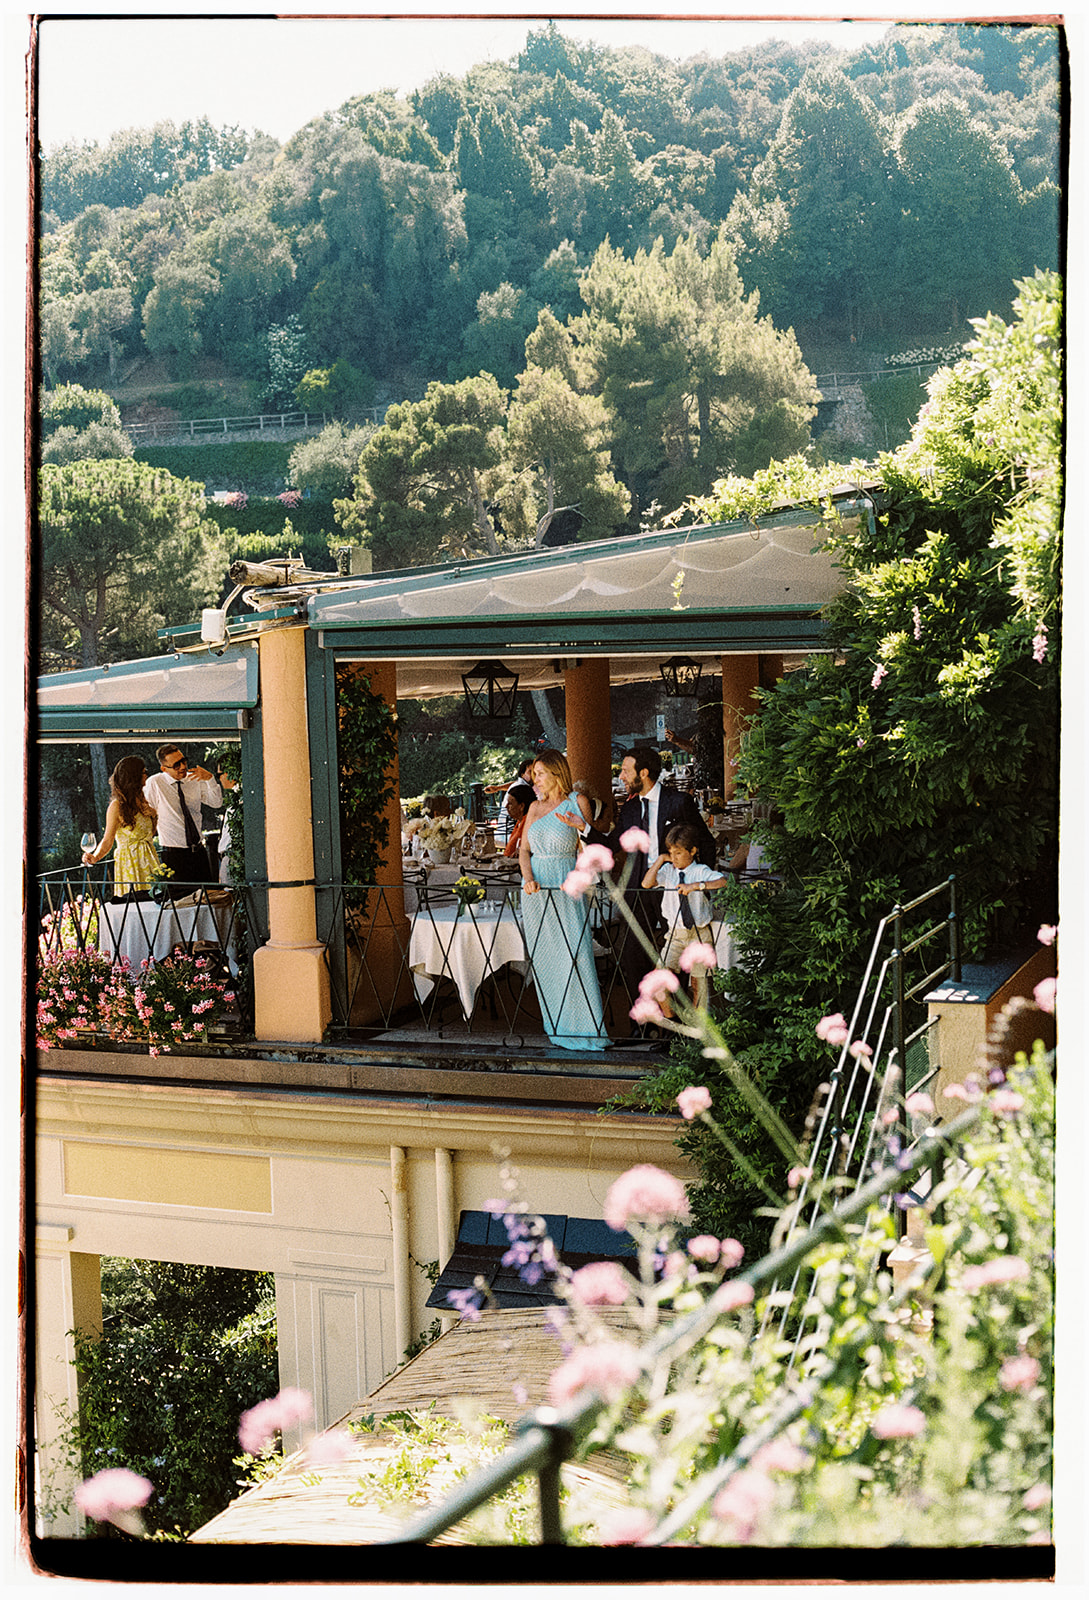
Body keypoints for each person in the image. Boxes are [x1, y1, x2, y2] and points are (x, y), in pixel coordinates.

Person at [562, 745, 718, 1013]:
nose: (621, 776)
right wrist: (584, 828)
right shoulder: (632, 807)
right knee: (633, 957)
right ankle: (643, 1026)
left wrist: (695, 883)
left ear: (643, 772)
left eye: (625, 770)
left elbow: (705, 844)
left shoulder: (678, 802)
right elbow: (612, 845)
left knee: (678, 958)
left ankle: (676, 1030)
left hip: (673, 891)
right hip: (639, 889)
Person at [519, 749, 609, 1052]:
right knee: (547, 961)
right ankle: (556, 1026)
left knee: (576, 956)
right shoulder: (532, 808)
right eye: (534, 772)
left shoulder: (577, 802)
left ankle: (588, 1030)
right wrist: (528, 877)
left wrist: (578, 827)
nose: (535, 778)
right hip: (535, 891)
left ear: (557, 773)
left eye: (540, 772)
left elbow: (593, 844)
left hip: (567, 885)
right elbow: (523, 851)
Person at [643, 825, 729, 1010]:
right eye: (671, 852)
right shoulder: (668, 871)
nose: (674, 858)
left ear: (692, 851)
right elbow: (646, 883)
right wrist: (660, 860)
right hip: (675, 935)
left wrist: (697, 886)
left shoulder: (699, 870)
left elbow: (723, 881)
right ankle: (674, 1028)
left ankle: (699, 1031)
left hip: (699, 935)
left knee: (699, 986)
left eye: (679, 853)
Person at [143, 744, 222, 890]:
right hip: (174, 856)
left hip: (199, 853)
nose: (183, 767)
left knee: (209, 900)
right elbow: (145, 812)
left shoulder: (194, 779)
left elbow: (217, 803)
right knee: (181, 903)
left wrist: (210, 779)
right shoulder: (155, 783)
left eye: (184, 761)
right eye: (176, 765)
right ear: (164, 768)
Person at [81, 755, 161, 896]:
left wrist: (153, 816)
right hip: (131, 863)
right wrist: (95, 857)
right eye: (143, 772)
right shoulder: (116, 806)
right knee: (137, 904)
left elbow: (150, 833)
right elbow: (108, 839)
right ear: (134, 776)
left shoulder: (142, 801)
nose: (146, 775)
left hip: (149, 859)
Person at [216, 767, 238, 884]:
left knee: (229, 896)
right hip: (229, 856)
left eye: (219, 774)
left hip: (232, 856)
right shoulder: (235, 798)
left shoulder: (239, 799)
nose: (219, 779)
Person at [502, 781, 536, 859]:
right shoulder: (520, 822)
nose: (506, 806)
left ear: (521, 806)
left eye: (510, 803)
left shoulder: (529, 825)